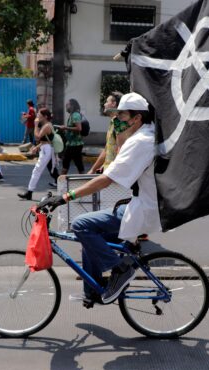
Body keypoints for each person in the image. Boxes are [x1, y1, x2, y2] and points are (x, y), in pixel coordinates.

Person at [38, 93, 161, 305]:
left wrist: (65, 197)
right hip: (141, 203)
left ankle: (120, 269)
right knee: (90, 237)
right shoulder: (144, 135)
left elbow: (107, 179)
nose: (118, 120)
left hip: (143, 208)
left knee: (81, 225)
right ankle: (93, 291)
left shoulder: (141, 141)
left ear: (137, 118)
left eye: (122, 115)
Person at [18, 108, 59, 200]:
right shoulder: (46, 125)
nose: (37, 115)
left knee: (37, 170)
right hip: (46, 149)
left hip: (46, 150)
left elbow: (37, 137)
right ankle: (63, 186)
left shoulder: (46, 126)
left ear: (45, 116)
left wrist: (36, 125)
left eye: (39, 114)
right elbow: (45, 140)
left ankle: (29, 192)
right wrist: (37, 147)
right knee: (53, 171)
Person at [88, 92, 129, 174]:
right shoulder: (113, 121)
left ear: (114, 104)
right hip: (109, 172)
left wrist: (113, 172)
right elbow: (107, 150)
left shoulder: (119, 122)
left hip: (114, 174)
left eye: (107, 101)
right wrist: (93, 169)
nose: (104, 104)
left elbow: (121, 150)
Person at [56, 99, 85, 175]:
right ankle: (60, 181)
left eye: (67, 105)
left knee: (77, 164)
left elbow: (79, 128)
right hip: (71, 144)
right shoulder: (72, 115)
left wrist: (65, 128)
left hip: (75, 144)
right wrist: (65, 130)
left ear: (72, 106)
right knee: (66, 162)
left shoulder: (75, 115)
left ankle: (84, 180)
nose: (66, 106)